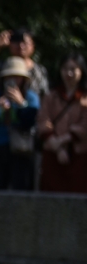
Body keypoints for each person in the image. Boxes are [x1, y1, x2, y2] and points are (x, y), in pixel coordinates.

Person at [0, 57, 40, 191]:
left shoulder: (31, 97)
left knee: (22, 186)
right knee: (0, 185)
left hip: (22, 148)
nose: (13, 81)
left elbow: (33, 120)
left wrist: (21, 104)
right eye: (10, 77)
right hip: (0, 146)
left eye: (17, 77)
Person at [37, 53, 87, 193]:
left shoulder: (84, 97)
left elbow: (85, 126)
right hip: (52, 152)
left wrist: (65, 140)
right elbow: (43, 121)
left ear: (81, 71)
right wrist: (57, 146)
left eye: (73, 69)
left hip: (79, 154)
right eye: (65, 69)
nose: (69, 73)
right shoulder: (51, 96)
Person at [0, 28, 49, 97]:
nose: (21, 46)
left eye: (25, 42)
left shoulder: (40, 71)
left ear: (33, 46)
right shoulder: (3, 66)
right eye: (16, 42)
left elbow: (45, 96)